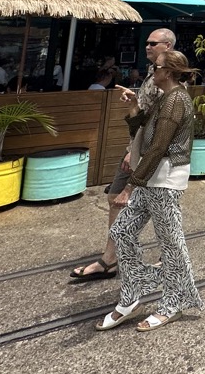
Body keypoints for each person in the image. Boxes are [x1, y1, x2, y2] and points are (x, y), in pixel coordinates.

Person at [96, 50, 205, 332]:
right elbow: (144, 130)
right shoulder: (165, 98)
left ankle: (174, 302)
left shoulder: (176, 101)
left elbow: (159, 146)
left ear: (167, 72)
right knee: (121, 231)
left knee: (171, 243)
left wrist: (131, 186)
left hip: (164, 180)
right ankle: (135, 289)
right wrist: (134, 106)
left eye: (154, 67)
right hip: (150, 177)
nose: (151, 71)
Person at [70, 28, 174, 282]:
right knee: (123, 199)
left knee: (146, 203)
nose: (147, 46)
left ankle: (125, 260)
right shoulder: (153, 75)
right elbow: (144, 113)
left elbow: (158, 125)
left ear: (168, 47)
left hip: (146, 151)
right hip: (136, 147)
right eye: (146, 43)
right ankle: (111, 259)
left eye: (153, 43)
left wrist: (135, 152)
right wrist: (135, 101)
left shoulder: (169, 84)